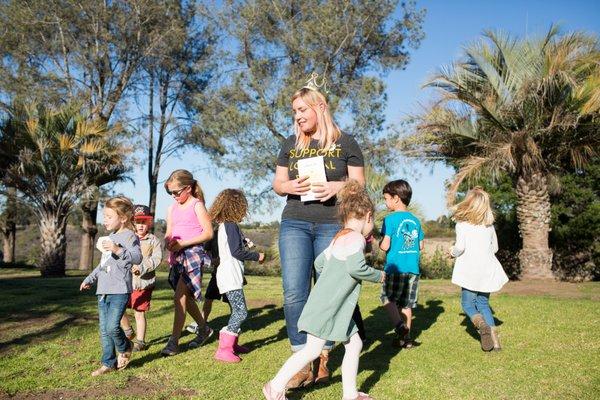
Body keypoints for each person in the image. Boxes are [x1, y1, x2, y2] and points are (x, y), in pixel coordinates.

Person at [272, 75, 365, 387]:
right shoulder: (290, 144)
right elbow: (277, 184)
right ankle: (300, 358)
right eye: (294, 111)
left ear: (320, 107)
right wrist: (290, 186)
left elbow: (359, 185)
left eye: (302, 109)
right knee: (294, 291)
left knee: (327, 292)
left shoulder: (347, 143)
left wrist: (337, 186)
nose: (297, 116)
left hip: (331, 224)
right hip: (295, 222)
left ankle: (322, 354)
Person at [263, 180, 384, 400]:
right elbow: (356, 267)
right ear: (368, 216)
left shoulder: (338, 238)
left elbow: (319, 264)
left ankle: (350, 394)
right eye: (372, 221)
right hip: (330, 307)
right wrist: (380, 276)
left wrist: (332, 277)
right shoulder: (357, 238)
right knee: (312, 350)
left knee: (355, 343)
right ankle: (275, 386)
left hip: (336, 306)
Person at [80, 197, 142, 376]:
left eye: (108, 216)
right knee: (104, 331)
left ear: (122, 218)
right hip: (103, 290)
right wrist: (89, 279)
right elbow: (103, 264)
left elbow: (137, 258)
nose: (104, 220)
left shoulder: (130, 236)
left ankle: (126, 346)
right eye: (104, 216)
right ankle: (108, 363)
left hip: (119, 290)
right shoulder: (108, 238)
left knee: (112, 327)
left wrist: (117, 249)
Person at [161, 169, 214, 356]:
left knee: (178, 297)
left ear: (188, 188)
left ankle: (173, 342)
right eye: (170, 193)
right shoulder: (171, 208)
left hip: (192, 256)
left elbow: (208, 233)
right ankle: (204, 328)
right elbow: (169, 231)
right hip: (176, 257)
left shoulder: (196, 205)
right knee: (185, 298)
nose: (174, 196)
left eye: (176, 192)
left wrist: (184, 243)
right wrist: (169, 241)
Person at [449, 187, 508, 351]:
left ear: (468, 204)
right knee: (483, 303)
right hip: (487, 269)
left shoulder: (462, 225)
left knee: (467, 304)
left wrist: (452, 252)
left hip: (470, 270)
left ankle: (482, 325)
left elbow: (460, 247)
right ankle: (496, 344)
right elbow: (495, 248)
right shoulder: (489, 227)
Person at [209, 189, 265, 362]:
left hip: (228, 274)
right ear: (237, 207)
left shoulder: (224, 226)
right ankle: (224, 349)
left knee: (236, 309)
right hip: (230, 275)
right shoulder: (230, 225)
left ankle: (232, 344)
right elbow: (236, 252)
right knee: (241, 312)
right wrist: (257, 256)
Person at [379, 179, 424, 348]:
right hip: (412, 269)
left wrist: (379, 243)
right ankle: (406, 340)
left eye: (386, 198)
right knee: (406, 304)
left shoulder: (390, 220)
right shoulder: (416, 220)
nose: (385, 202)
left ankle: (399, 326)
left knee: (386, 298)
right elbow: (421, 245)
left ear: (396, 198)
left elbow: (385, 245)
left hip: (394, 268)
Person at [119, 205, 163, 352]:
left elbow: (157, 258)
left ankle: (140, 341)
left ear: (149, 223)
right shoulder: (127, 238)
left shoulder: (153, 240)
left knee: (139, 312)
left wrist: (142, 267)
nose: (140, 226)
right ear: (133, 223)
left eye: (144, 222)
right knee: (119, 309)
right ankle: (128, 331)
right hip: (125, 283)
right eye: (137, 222)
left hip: (143, 284)